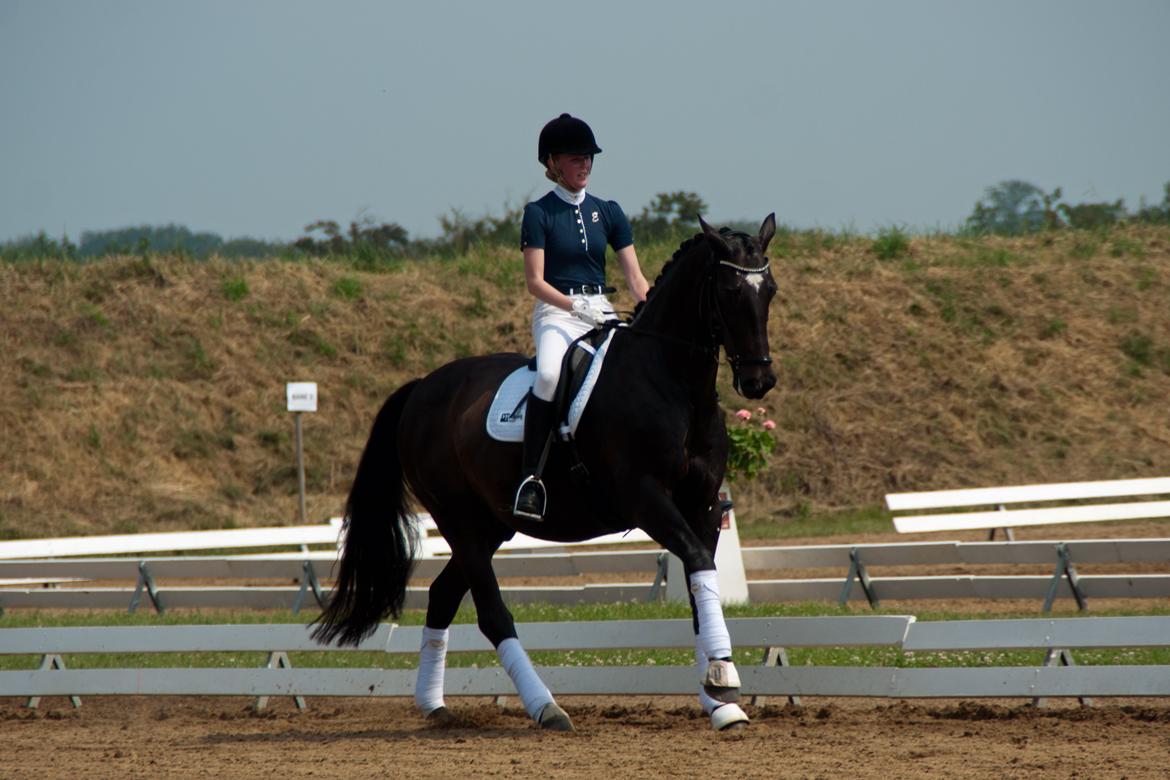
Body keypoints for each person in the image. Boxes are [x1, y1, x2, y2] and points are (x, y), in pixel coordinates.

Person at [513, 113, 649, 521]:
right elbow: (535, 282)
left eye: (589, 157)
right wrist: (574, 306)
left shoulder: (609, 211)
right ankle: (531, 480)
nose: (585, 165)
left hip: (603, 312)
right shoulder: (539, 213)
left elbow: (636, 278)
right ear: (552, 163)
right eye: (575, 158)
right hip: (557, 312)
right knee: (551, 375)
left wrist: (650, 311)